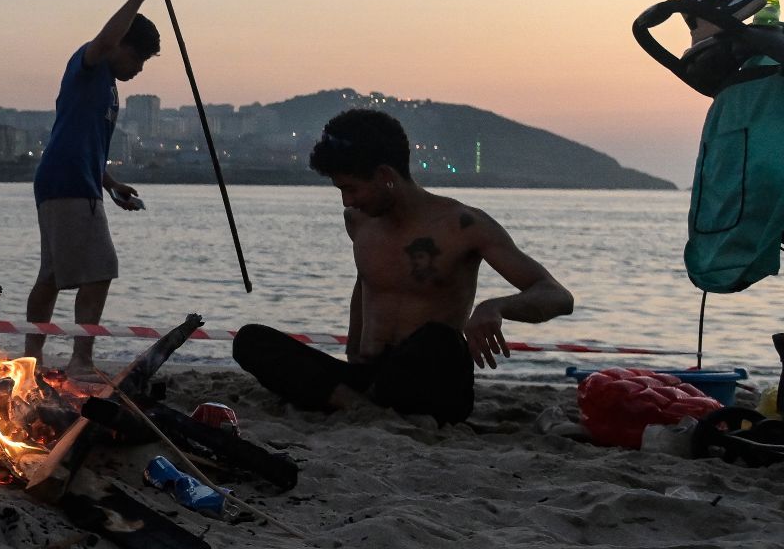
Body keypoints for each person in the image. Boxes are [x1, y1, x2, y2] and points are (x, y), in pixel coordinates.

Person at [232, 108, 575, 425]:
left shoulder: (464, 225)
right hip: (368, 376)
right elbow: (366, 281)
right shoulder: (359, 222)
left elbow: (557, 295)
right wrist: (354, 350)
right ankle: (358, 406)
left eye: (352, 188)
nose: (347, 200)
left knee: (441, 339)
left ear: (384, 175)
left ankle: (345, 400)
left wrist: (495, 307)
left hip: (429, 380)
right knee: (251, 340)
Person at [25, 0, 171, 381]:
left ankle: (31, 359)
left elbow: (85, 145)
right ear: (119, 45)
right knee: (100, 269)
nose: (139, 68)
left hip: (74, 181)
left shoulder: (108, 88)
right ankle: (80, 362)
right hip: (67, 184)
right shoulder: (89, 65)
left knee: (51, 276)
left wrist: (111, 184)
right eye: (137, 58)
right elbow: (105, 40)